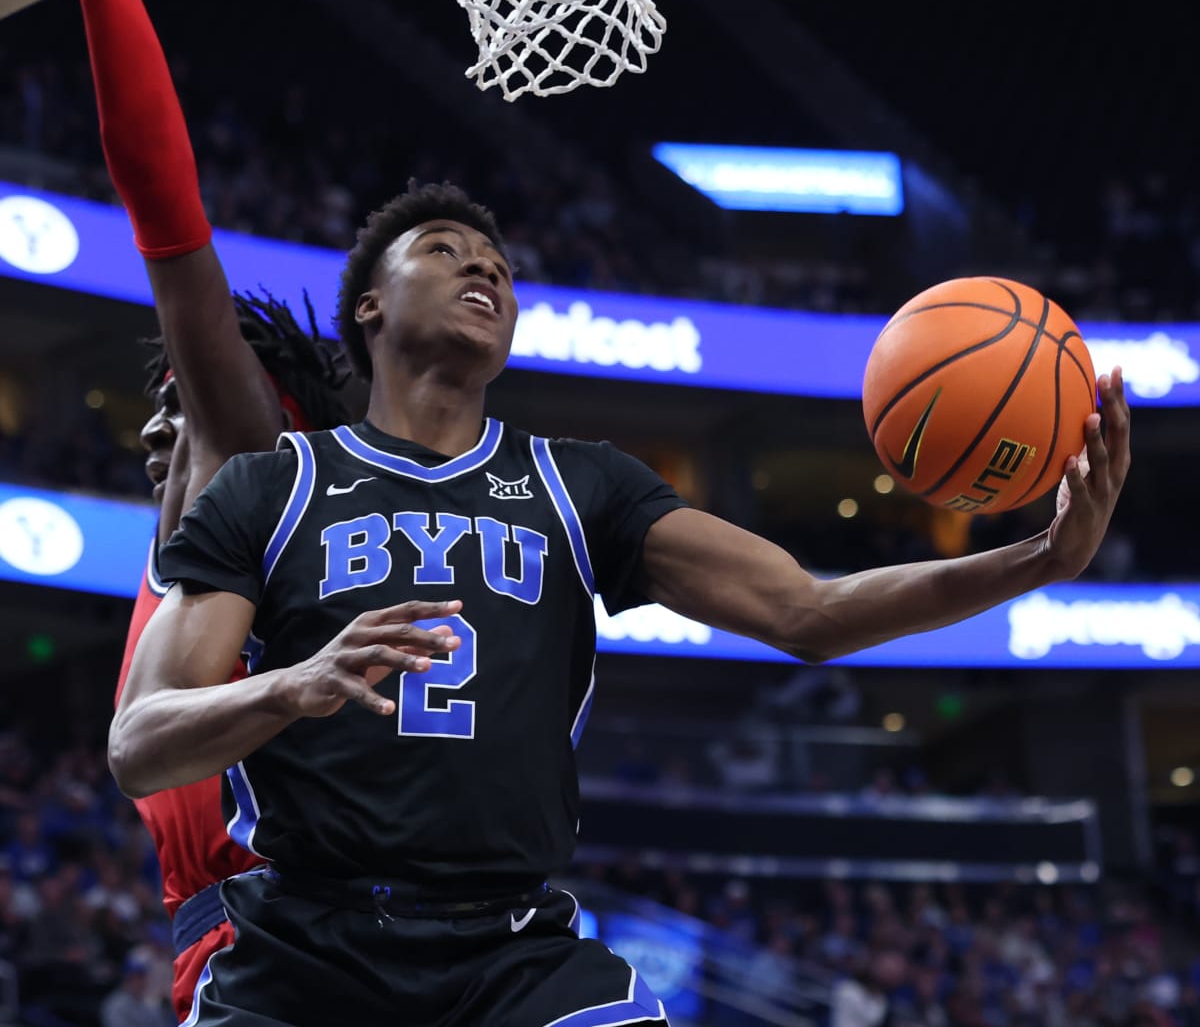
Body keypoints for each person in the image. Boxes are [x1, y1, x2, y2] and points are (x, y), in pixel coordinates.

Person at [109, 179, 1129, 1027]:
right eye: (445, 250)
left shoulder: (580, 484)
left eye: (498, 264)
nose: (484, 269)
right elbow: (140, 744)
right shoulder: (272, 487)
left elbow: (809, 613)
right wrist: (292, 685)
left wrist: (1040, 559)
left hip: (509, 951)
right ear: (369, 307)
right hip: (303, 948)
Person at [74, 0, 348, 1019]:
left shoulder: (252, 466)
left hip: (290, 950)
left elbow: (167, 214)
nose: (154, 424)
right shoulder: (196, 555)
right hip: (233, 952)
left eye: (177, 396)